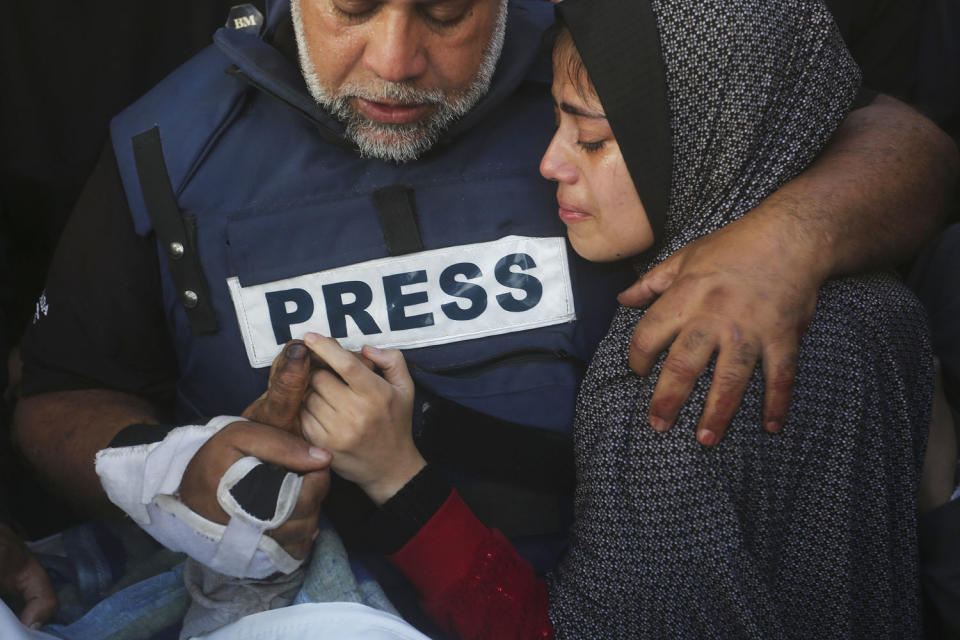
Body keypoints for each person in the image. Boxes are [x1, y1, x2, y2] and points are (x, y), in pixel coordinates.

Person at [11, 0, 956, 633]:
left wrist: (788, 239)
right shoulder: (166, 145)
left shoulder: (608, 51)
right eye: (350, 7)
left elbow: (877, 131)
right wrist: (174, 471)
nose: (394, 59)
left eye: (446, 9)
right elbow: (56, 394)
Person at [294, 0, 934, 637]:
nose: (551, 163)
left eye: (593, 138)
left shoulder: (682, 370)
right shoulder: (879, 308)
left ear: (706, 127)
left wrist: (395, 478)